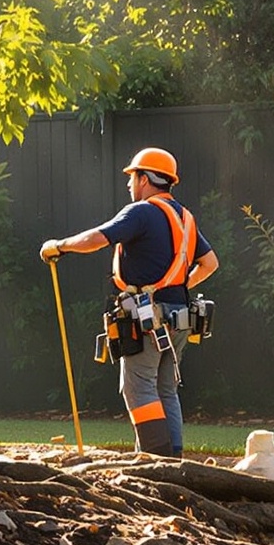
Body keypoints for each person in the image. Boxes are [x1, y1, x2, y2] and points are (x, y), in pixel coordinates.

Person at [40, 148, 219, 456]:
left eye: (132, 177)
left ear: (145, 178)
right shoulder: (184, 218)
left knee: (138, 387)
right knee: (165, 389)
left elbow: (97, 238)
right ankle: (171, 461)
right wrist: (176, 285)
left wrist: (58, 246)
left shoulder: (142, 212)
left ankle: (154, 461)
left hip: (148, 319)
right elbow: (210, 263)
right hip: (179, 317)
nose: (128, 185)